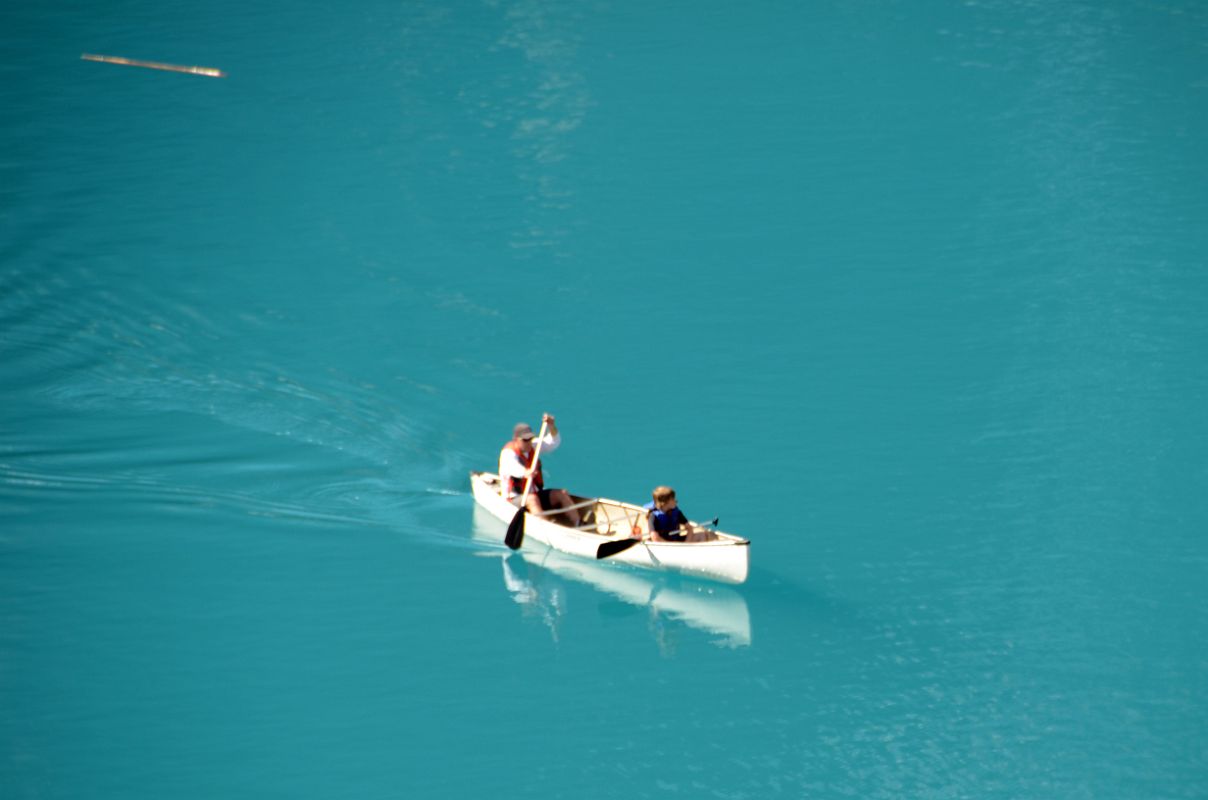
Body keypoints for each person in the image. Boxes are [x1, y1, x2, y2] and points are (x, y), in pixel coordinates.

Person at [498, 413, 581, 527]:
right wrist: (525, 472)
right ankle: (546, 528)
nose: (529, 442)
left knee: (561, 494)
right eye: (525, 440)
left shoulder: (533, 446)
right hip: (514, 499)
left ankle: (578, 523)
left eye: (530, 438)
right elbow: (512, 467)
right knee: (532, 499)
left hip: (534, 493)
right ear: (516, 439)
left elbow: (553, 442)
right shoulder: (508, 453)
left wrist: (551, 425)